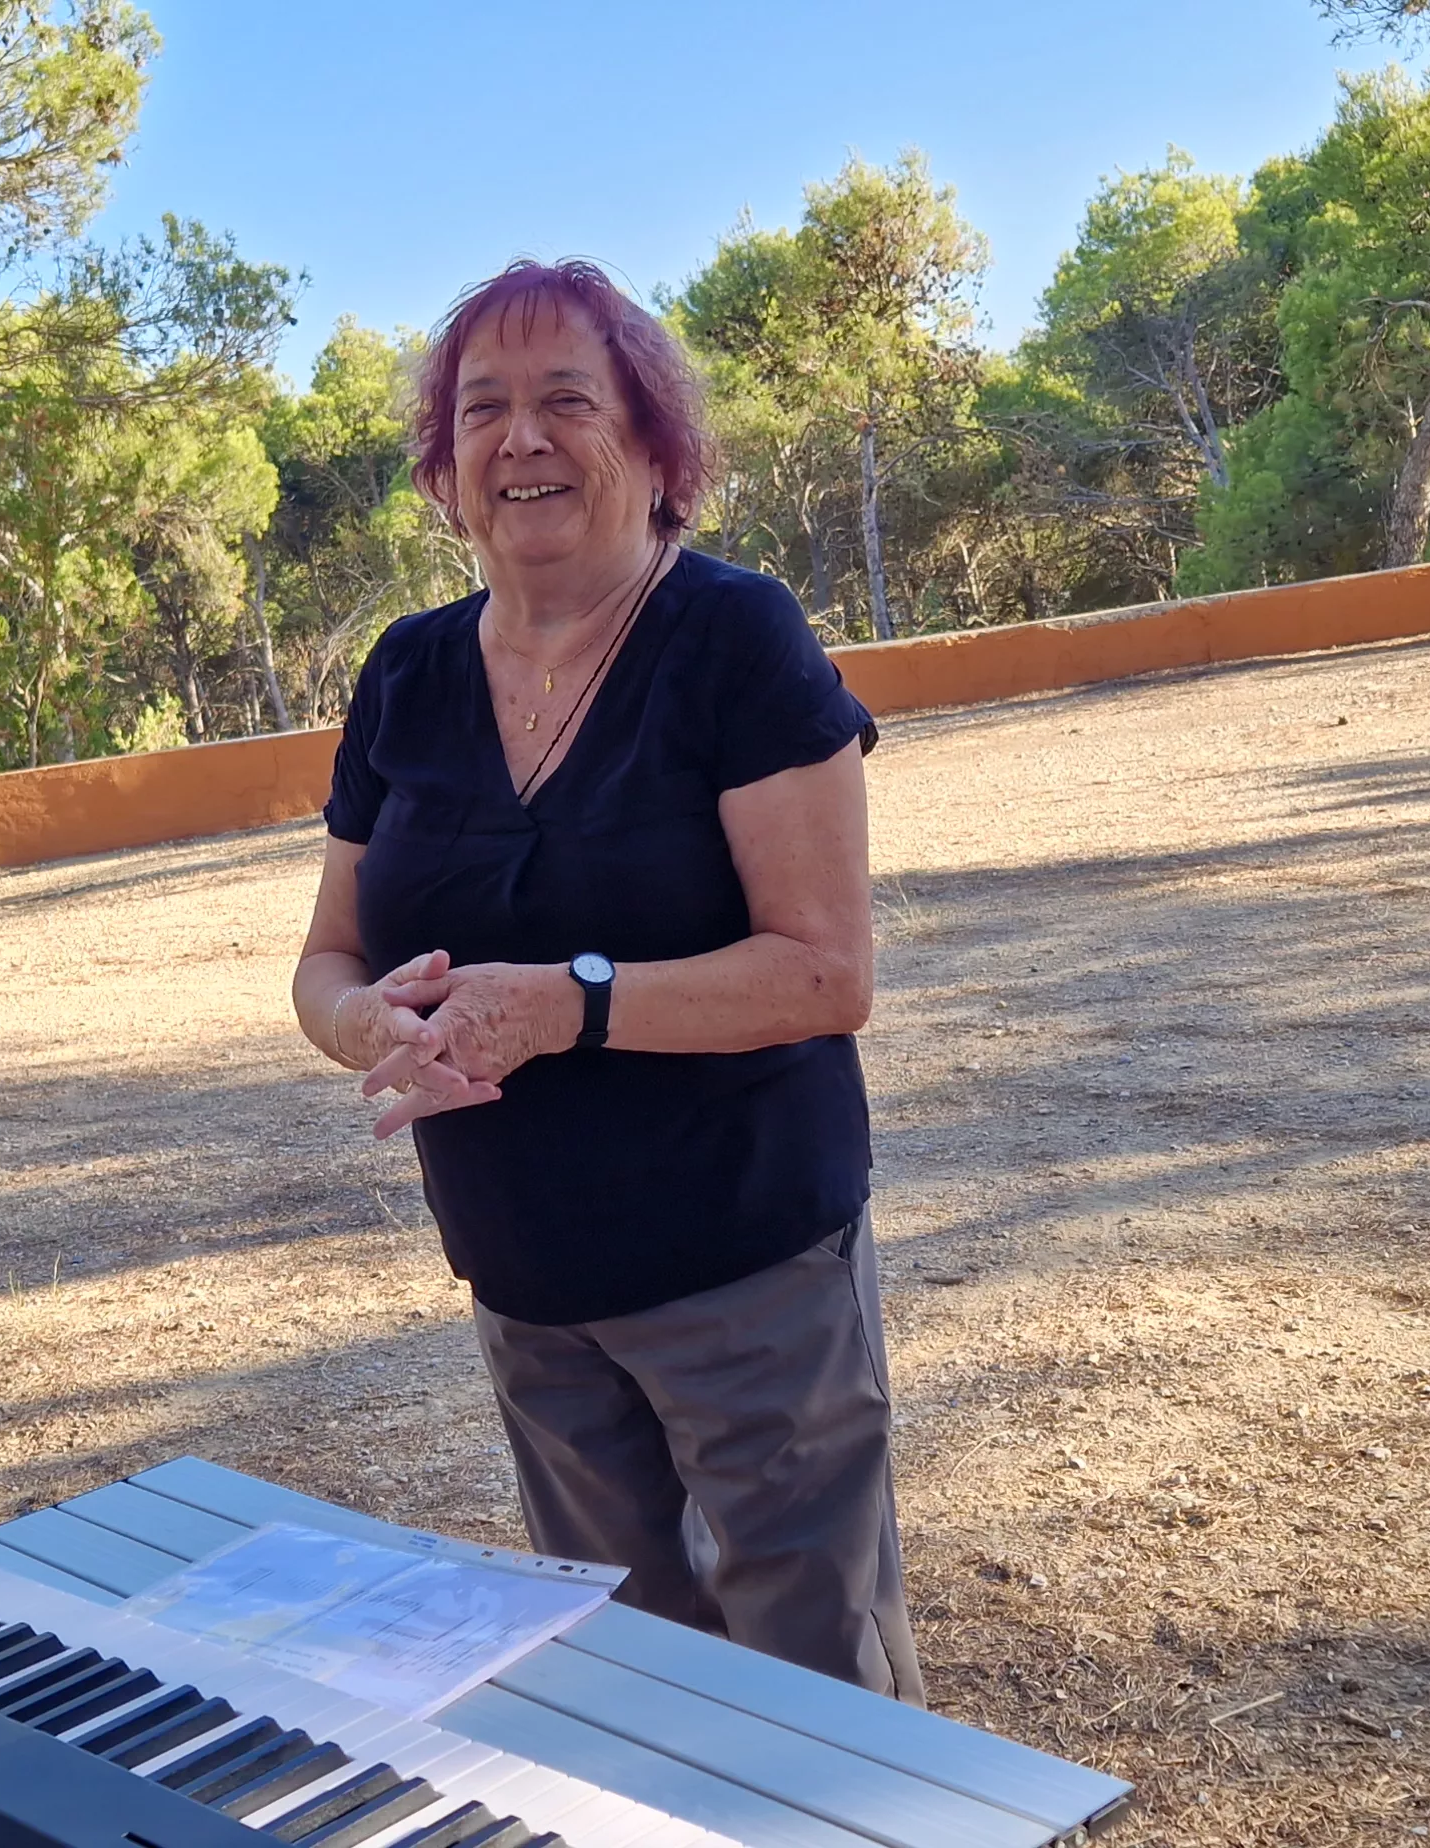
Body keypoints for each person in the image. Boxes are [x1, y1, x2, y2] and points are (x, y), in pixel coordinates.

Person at [287, 259, 911, 1700]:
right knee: (631, 1678)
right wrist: (362, 1023)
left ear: (653, 438)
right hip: (523, 1279)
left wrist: (574, 999)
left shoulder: (733, 639)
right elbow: (327, 960)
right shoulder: (405, 674)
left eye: (570, 398)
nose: (522, 440)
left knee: (818, 1678)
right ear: (443, 470)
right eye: (481, 411)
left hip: (745, 1268)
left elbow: (826, 974)